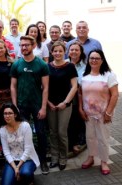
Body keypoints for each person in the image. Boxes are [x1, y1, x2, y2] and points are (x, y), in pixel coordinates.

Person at [10, 35, 50, 174]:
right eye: (21, 45)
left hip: (37, 104)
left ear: (33, 46)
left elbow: (45, 88)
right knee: (22, 134)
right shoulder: (17, 64)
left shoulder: (42, 65)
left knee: (40, 133)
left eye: (27, 45)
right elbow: (13, 87)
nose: (24, 47)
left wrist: (44, 107)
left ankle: (43, 161)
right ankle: (24, 161)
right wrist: (14, 106)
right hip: (21, 105)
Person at [79, 49, 119, 175]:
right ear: (88, 60)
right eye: (92, 58)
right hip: (88, 113)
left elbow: (115, 95)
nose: (94, 60)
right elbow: (80, 94)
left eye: (97, 58)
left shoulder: (109, 75)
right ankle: (91, 157)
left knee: (103, 138)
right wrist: (80, 109)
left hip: (103, 114)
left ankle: (104, 161)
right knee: (90, 137)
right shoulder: (84, 76)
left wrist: (108, 113)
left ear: (102, 60)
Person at [47, 41, 78, 170]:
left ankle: (63, 158)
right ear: (51, 52)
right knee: (53, 132)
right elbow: (44, 86)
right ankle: (54, 158)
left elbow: (75, 86)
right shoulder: (47, 66)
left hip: (65, 104)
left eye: (60, 51)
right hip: (51, 105)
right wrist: (48, 103)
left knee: (61, 132)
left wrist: (65, 103)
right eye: (55, 51)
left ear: (64, 52)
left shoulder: (70, 66)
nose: (58, 53)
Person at [0, 104, 40, 185]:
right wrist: (15, 168)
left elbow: (28, 148)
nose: (7, 116)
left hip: (28, 159)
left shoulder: (25, 126)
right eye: (5, 113)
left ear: (15, 114)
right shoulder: (2, 129)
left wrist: (18, 167)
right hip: (12, 161)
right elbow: (6, 151)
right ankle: (17, 176)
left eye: (10, 113)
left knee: (25, 173)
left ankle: (29, 179)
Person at [0, 40, 14, 157]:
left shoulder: (11, 63)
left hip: (8, 97)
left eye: (1, 48)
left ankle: (10, 146)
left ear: (5, 49)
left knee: (9, 121)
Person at [67, 41, 87, 154]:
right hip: (63, 97)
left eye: (76, 50)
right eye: (72, 49)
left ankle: (76, 144)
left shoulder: (85, 67)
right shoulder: (63, 63)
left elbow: (81, 84)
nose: (74, 52)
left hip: (78, 99)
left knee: (75, 122)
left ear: (81, 52)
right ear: (68, 52)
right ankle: (68, 144)